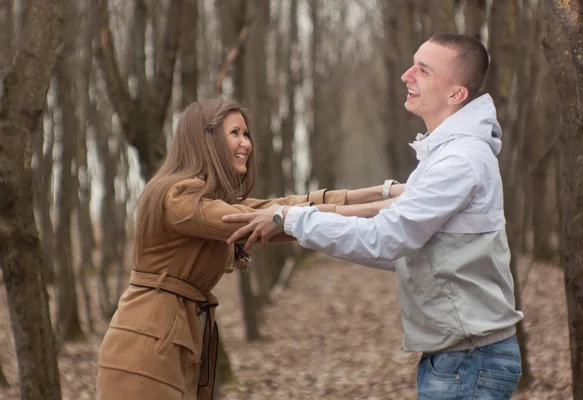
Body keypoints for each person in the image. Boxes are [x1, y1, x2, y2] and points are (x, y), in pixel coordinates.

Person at [223, 33, 524, 399]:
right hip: (460, 358)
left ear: (455, 94)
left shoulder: (459, 161)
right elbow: (408, 249)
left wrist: (289, 219)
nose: (406, 75)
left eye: (423, 70)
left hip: (469, 361)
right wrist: (294, 218)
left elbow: (387, 239)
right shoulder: (447, 155)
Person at [96, 98, 405, 400]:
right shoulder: (177, 196)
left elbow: (284, 209)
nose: (245, 143)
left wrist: (383, 193)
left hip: (171, 344)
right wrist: (385, 207)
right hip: (145, 352)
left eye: (246, 134)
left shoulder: (207, 199)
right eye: (235, 133)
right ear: (206, 139)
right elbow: (265, 218)